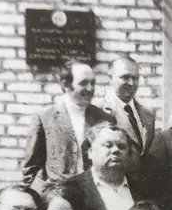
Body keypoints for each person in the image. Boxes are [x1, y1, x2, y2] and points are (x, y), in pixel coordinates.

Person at [62, 123, 161, 210]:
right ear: (90, 152)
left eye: (121, 146)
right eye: (108, 145)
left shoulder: (142, 190)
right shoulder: (73, 190)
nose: (115, 150)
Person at [22, 59, 115, 191]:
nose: (90, 88)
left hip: (94, 195)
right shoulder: (45, 117)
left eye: (93, 83)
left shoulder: (103, 118)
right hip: (59, 196)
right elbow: (30, 169)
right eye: (83, 83)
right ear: (66, 84)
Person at [98, 56, 156, 182]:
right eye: (125, 77)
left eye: (135, 78)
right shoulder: (98, 111)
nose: (131, 83)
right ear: (110, 78)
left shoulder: (148, 115)